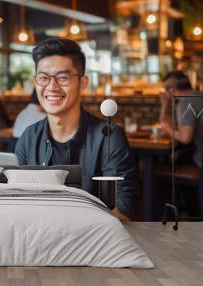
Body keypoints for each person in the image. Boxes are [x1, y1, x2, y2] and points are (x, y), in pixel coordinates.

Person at [15, 38, 138, 221]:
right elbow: (18, 199)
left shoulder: (108, 137)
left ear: (82, 83)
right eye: (43, 78)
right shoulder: (29, 137)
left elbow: (123, 206)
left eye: (63, 77)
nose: (51, 87)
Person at [160, 71, 203, 167]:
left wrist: (168, 129)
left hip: (200, 160)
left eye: (164, 90)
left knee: (161, 164)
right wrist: (165, 105)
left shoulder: (185, 102)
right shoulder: (198, 96)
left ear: (171, 91)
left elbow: (185, 138)